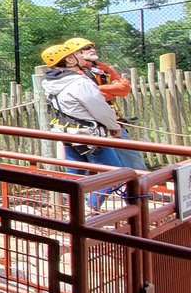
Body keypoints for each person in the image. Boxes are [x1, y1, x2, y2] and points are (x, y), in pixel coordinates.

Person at [41, 37, 141, 208]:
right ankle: (90, 211)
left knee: (74, 175)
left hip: (68, 133)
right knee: (114, 176)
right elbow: (100, 109)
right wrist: (114, 126)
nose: (82, 56)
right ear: (70, 59)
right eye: (77, 53)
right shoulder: (79, 82)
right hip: (89, 135)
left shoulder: (51, 82)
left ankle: (74, 214)